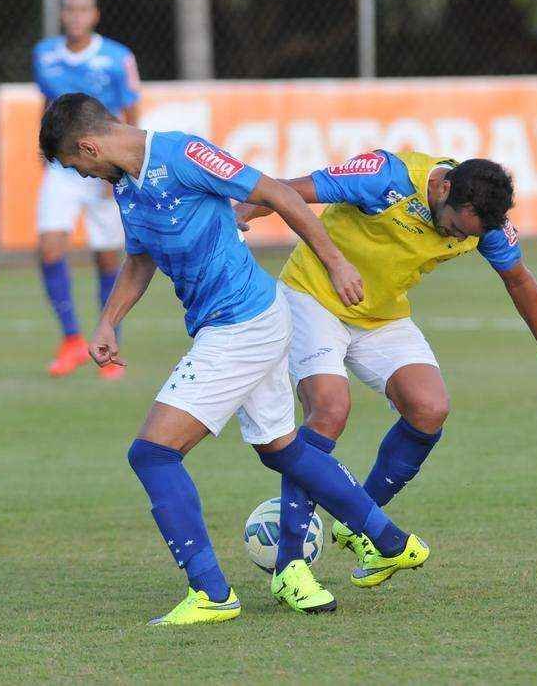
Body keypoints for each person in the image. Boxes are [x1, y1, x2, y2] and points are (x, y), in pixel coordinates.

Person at [40, 93, 433, 625]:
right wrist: (110, 320)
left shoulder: (182, 155)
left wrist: (336, 263)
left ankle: (211, 593)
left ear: (89, 146)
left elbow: (279, 194)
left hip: (241, 324)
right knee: (281, 449)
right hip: (238, 321)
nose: (82, 176)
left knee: (153, 454)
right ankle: (390, 541)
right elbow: (140, 257)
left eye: (76, 165)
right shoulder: (126, 186)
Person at [233, 149, 537, 578]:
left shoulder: (483, 221)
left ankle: (357, 522)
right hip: (314, 297)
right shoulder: (386, 177)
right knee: (330, 409)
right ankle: (291, 567)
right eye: (455, 228)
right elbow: (287, 191)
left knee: (429, 408)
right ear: (443, 188)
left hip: (380, 312)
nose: (456, 238)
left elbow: (519, 280)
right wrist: (242, 210)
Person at [32, 0, 141, 379]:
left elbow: (131, 111)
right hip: (63, 166)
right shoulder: (44, 55)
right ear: (62, 14)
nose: (76, 16)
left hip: (104, 167)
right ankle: (71, 340)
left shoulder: (117, 57)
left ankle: (109, 347)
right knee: (49, 248)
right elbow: (47, 105)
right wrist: (43, 149)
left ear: (94, 15)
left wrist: (123, 165)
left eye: (83, 9)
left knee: (107, 257)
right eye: (69, 9)